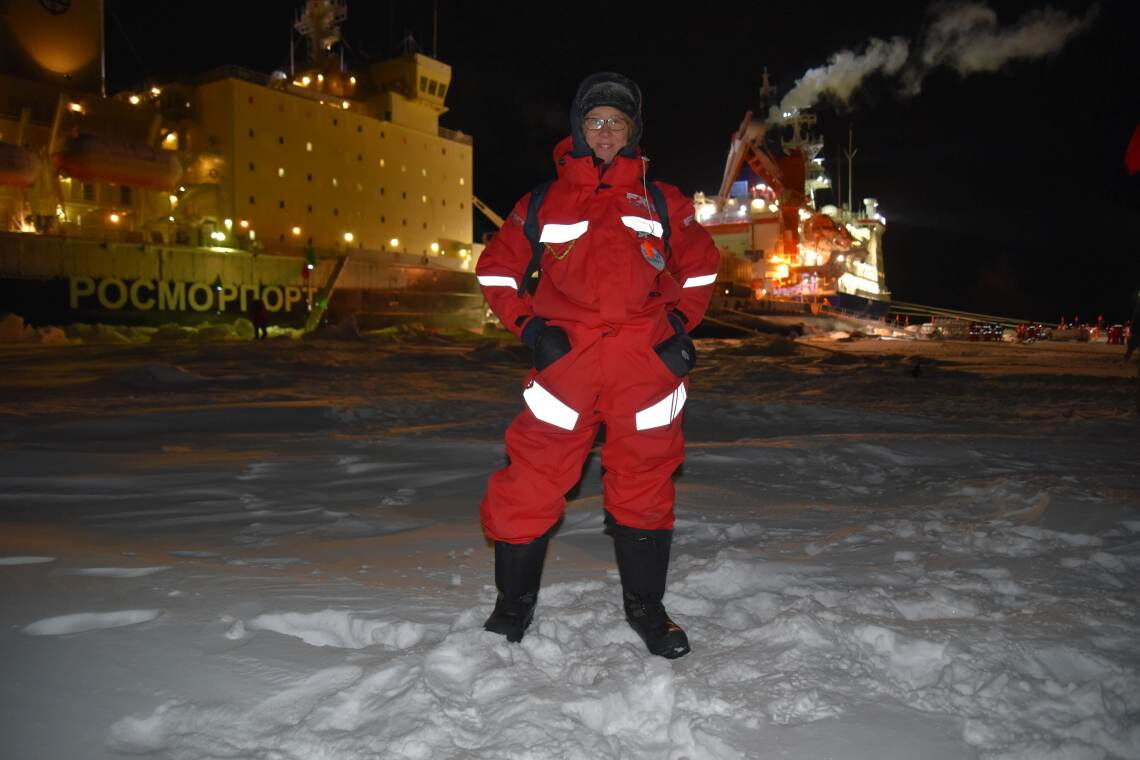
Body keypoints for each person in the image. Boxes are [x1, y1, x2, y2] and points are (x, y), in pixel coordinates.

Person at [474, 72, 720, 659]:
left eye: (617, 121)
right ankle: (513, 608)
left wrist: (681, 329)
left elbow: (702, 267)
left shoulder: (663, 199)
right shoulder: (540, 201)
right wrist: (531, 330)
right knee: (530, 481)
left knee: (645, 486)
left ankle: (647, 612)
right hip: (569, 364)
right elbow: (496, 270)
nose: (606, 131)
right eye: (595, 121)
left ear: (632, 132)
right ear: (579, 132)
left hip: (645, 366)